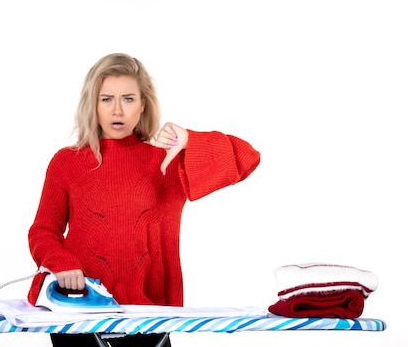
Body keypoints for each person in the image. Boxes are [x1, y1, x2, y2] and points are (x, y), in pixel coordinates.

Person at [27, 53, 260, 346]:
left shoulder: (166, 162)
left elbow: (248, 158)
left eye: (127, 99)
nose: (117, 111)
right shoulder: (66, 163)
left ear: (142, 105)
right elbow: (43, 230)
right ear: (93, 104)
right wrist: (61, 263)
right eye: (106, 99)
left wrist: (190, 139)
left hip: (149, 317)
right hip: (79, 315)